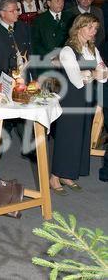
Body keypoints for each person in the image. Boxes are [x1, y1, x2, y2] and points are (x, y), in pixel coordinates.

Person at [50, 13, 107, 195]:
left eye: (95, 28)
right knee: (67, 138)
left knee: (80, 138)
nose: (93, 32)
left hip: (86, 98)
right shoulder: (68, 51)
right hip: (71, 99)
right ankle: (54, 177)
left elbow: (104, 75)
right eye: (90, 27)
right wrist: (94, 74)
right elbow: (76, 80)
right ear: (79, 27)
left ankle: (67, 175)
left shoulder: (92, 49)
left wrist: (97, 74)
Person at [0, 0, 31, 77]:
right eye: (12, 11)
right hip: (3, 78)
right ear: (2, 13)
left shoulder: (24, 27)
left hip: (25, 75)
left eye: (17, 10)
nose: (17, 13)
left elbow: (31, 50)